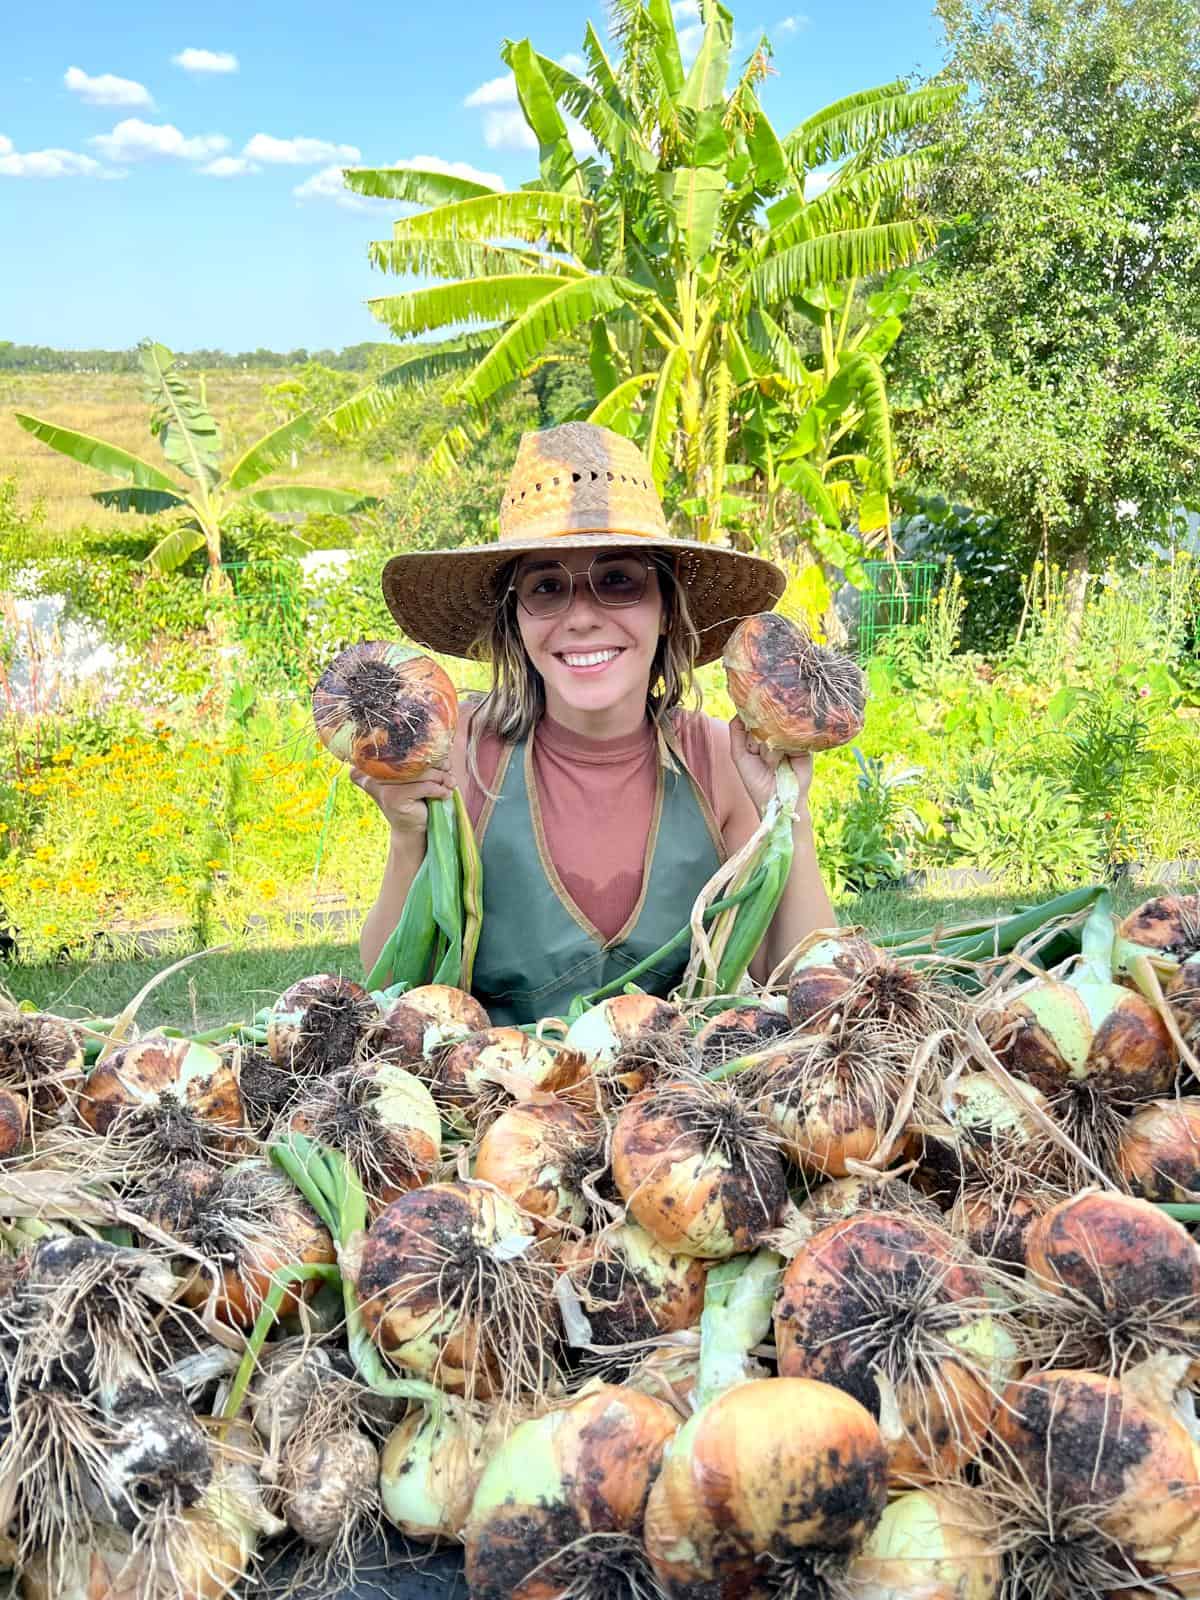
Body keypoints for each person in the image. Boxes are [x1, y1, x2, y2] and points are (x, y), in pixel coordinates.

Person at [353, 422, 835, 1025]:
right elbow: (389, 1000)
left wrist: (789, 814)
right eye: (547, 587)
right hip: (496, 1101)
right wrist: (406, 837)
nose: (581, 617)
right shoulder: (461, 754)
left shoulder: (722, 761)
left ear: (665, 608)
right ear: (515, 621)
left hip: (682, 1109)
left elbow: (808, 984)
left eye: (617, 581)